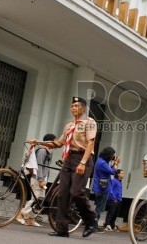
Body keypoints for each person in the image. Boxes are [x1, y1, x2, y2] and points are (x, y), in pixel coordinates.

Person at [40, 96, 97, 238]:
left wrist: (83, 163)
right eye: (72, 106)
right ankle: (62, 229)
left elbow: (90, 143)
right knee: (62, 194)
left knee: (76, 192)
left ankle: (91, 221)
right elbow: (59, 143)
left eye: (77, 106)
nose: (74, 108)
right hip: (68, 158)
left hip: (83, 157)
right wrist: (39, 143)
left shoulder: (89, 123)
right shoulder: (69, 125)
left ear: (83, 108)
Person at [16, 133, 56, 226]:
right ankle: (21, 214)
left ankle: (31, 219)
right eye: (54, 141)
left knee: (40, 200)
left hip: (43, 178)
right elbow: (38, 167)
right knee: (35, 199)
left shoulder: (49, 151)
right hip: (37, 178)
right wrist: (41, 180)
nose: (55, 143)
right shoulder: (42, 151)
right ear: (49, 142)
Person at [93, 146, 120, 232]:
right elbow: (112, 172)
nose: (113, 156)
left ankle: (94, 225)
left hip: (100, 186)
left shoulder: (101, 161)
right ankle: (94, 225)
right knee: (99, 208)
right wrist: (116, 164)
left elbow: (109, 170)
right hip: (102, 188)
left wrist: (113, 163)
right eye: (112, 155)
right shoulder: (102, 163)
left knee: (99, 208)